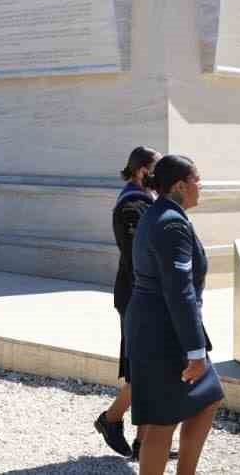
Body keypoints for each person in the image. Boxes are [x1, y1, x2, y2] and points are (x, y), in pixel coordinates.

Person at [123, 154, 223, 475]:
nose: (201, 185)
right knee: (165, 419)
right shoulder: (172, 223)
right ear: (180, 185)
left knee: (188, 407)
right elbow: (181, 291)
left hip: (153, 326)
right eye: (197, 180)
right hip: (165, 332)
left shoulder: (160, 214)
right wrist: (195, 351)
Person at [94, 146, 160, 461]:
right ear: (141, 170)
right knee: (145, 368)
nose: (160, 174)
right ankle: (111, 419)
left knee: (147, 368)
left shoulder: (142, 200)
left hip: (140, 294)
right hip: (138, 296)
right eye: (156, 168)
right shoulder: (132, 205)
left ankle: (143, 443)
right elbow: (141, 257)